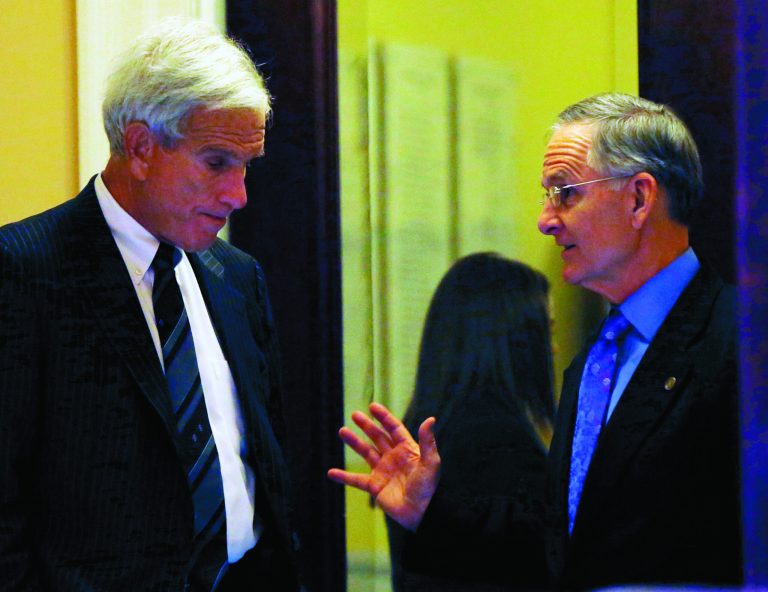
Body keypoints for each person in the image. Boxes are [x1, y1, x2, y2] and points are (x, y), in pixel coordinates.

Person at [328, 93, 741, 590]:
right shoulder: (598, 356)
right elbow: (562, 547)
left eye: (565, 193)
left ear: (638, 198)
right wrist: (433, 512)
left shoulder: (742, 343)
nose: (545, 220)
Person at [0, 19, 300, 591]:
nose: (238, 195)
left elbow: (265, 471)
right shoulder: (23, 270)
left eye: (246, 167)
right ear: (139, 146)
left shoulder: (238, 277)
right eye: (216, 163)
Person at [387, 253, 554, 591]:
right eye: (545, 330)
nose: (551, 347)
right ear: (515, 339)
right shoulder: (500, 442)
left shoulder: (426, 427)